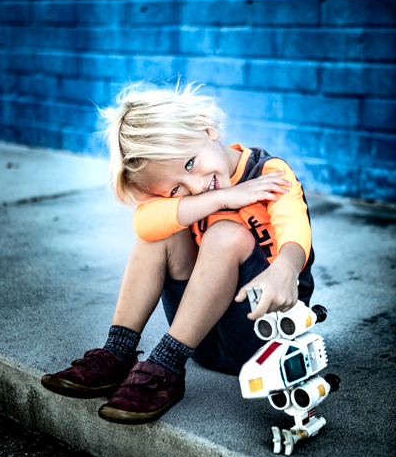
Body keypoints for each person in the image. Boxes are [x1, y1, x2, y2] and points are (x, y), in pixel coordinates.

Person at [41, 81, 314, 425]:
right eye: (175, 189)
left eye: (189, 165)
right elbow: (145, 224)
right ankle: (118, 350)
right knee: (161, 233)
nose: (196, 187)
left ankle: (165, 364)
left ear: (205, 127)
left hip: (265, 336)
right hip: (204, 339)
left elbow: (293, 227)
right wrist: (222, 199)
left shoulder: (268, 172)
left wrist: (286, 268)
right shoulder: (205, 191)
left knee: (226, 234)